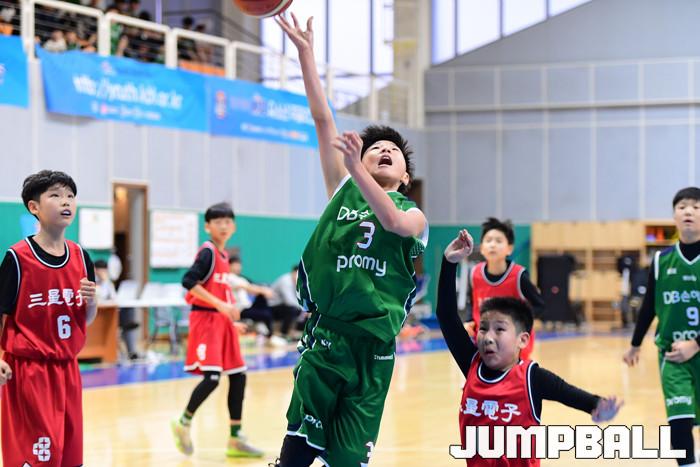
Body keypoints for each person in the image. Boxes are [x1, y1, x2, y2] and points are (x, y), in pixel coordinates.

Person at [273, 13, 429, 467]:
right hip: (328, 336)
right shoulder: (343, 188)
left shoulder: (413, 214)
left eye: (394, 151)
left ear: (405, 176)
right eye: (375, 147)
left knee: (347, 461)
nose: (385, 151)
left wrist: (357, 167)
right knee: (298, 449)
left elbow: (392, 223)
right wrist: (306, 55)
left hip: (374, 350)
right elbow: (322, 119)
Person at [439, 229, 622, 466]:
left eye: (500, 329)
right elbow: (446, 316)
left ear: (522, 340)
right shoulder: (472, 364)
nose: (488, 337)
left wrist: (597, 405)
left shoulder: (531, 378)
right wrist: (449, 263)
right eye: (483, 328)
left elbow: (569, 393)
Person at [0, 170, 97, 466]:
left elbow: (85, 319)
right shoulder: (18, 258)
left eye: (70, 195)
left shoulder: (82, 257)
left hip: (68, 370)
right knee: (39, 456)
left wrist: (92, 302)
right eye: (55, 195)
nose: (65, 201)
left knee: (69, 457)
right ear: (34, 207)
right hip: (29, 371)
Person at [171, 202, 263, 458]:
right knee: (212, 378)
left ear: (234, 226)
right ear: (207, 226)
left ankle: (235, 438)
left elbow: (218, 292)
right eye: (218, 221)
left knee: (238, 375)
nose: (223, 226)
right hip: (206, 322)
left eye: (227, 221)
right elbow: (188, 281)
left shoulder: (223, 257)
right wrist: (221, 306)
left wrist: (231, 320)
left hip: (221, 322)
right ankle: (183, 422)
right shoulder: (208, 253)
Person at [623, 187, 700, 466]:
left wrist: (696, 344)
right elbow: (649, 306)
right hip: (672, 354)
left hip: (697, 347)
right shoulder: (660, 260)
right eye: (682, 206)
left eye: (696, 207)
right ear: (674, 216)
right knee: (679, 421)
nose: (688, 211)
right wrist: (635, 344)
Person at [465, 217, 544, 360]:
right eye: (488, 240)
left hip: (515, 347)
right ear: (482, 248)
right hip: (485, 342)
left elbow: (539, 306)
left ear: (509, 248)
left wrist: (520, 323)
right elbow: (472, 302)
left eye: (498, 241)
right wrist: (469, 320)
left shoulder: (519, 276)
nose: (492, 245)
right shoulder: (474, 274)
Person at [227, 256, 286, 347]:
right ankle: (269, 336)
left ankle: (270, 335)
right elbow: (248, 287)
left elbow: (252, 288)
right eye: (235, 265)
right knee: (266, 314)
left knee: (263, 299)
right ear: (229, 265)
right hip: (239, 309)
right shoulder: (228, 277)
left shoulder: (241, 278)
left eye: (239, 265)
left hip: (248, 306)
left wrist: (264, 291)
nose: (238, 268)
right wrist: (264, 291)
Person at [267, 265, 303, 342]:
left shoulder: (298, 282)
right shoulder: (285, 281)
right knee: (293, 310)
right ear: (293, 273)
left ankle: (299, 333)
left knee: (306, 311)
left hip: (283, 306)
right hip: (272, 306)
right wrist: (304, 309)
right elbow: (289, 301)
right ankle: (284, 334)